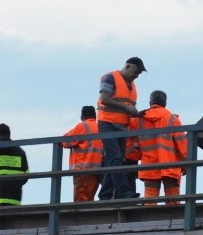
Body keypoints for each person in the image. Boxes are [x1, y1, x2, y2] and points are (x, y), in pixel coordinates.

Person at [96, 56, 146, 200]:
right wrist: (126, 108)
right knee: (115, 159)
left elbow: (127, 106)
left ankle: (105, 195)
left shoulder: (132, 86)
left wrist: (135, 112)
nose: (136, 76)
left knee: (116, 160)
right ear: (128, 66)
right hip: (108, 124)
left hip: (122, 126)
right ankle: (124, 192)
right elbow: (104, 99)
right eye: (136, 72)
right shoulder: (110, 77)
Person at [131, 90, 187, 205]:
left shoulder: (137, 120)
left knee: (150, 200)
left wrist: (135, 156)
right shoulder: (173, 119)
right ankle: (175, 221)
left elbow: (131, 142)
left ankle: (150, 221)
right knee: (173, 200)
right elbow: (182, 145)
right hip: (171, 165)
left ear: (150, 102)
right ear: (165, 103)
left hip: (149, 165)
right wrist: (186, 162)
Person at [62, 106, 104, 202]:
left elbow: (65, 142)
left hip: (83, 170)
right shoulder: (100, 127)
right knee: (89, 199)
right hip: (98, 171)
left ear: (82, 116)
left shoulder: (82, 126)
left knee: (81, 202)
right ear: (95, 116)